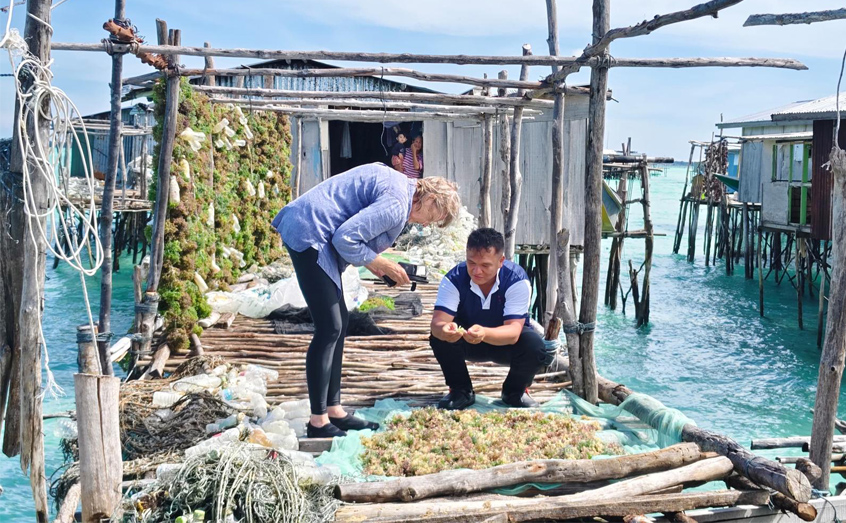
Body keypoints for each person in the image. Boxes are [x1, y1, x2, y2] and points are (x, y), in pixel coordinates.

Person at [272, 162, 461, 437]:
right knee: (329, 328)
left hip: (314, 228)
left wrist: (377, 264)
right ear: (430, 198)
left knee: (340, 321)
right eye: (432, 217)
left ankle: (334, 410)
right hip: (310, 231)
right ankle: (318, 422)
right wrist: (382, 264)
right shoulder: (397, 203)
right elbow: (346, 238)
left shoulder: (399, 186)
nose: (425, 224)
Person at [429, 228, 549, 410]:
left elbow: (513, 333)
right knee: (438, 338)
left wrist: (484, 333)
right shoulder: (453, 279)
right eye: (471, 263)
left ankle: (514, 392)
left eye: (485, 265)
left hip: (506, 345)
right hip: (466, 340)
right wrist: (444, 330)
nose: (477, 271)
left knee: (534, 345)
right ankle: (460, 390)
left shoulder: (517, 280)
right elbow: (437, 323)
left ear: (501, 261)